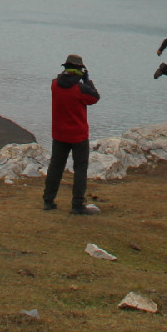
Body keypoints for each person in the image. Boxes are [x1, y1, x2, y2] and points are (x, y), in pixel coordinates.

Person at [43, 52, 100, 214]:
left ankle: (48, 200)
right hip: (78, 135)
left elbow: (61, 80)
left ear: (65, 68)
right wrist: (87, 80)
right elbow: (95, 97)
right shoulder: (80, 89)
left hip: (59, 134)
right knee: (80, 169)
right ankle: (77, 205)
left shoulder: (54, 85)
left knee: (55, 167)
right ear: (80, 70)